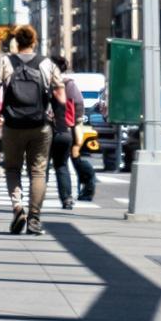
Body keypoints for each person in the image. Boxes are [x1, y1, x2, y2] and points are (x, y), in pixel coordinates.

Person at [0, 25, 64, 235]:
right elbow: (60, 95)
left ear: (16, 42)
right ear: (34, 42)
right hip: (40, 125)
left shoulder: (5, 61)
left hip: (12, 125)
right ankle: (34, 218)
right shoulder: (47, 63)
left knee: (12, 169)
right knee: (38, 171)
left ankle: (18, 207)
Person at [51, 53, 96, 208]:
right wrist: (76, 122)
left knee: (40, 166)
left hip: (48, 129)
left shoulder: (48, 82)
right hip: (67, 130)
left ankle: (35, 199)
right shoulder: (70, 84)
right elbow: (79, 104)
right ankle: (67, 198)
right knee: (61, 165)